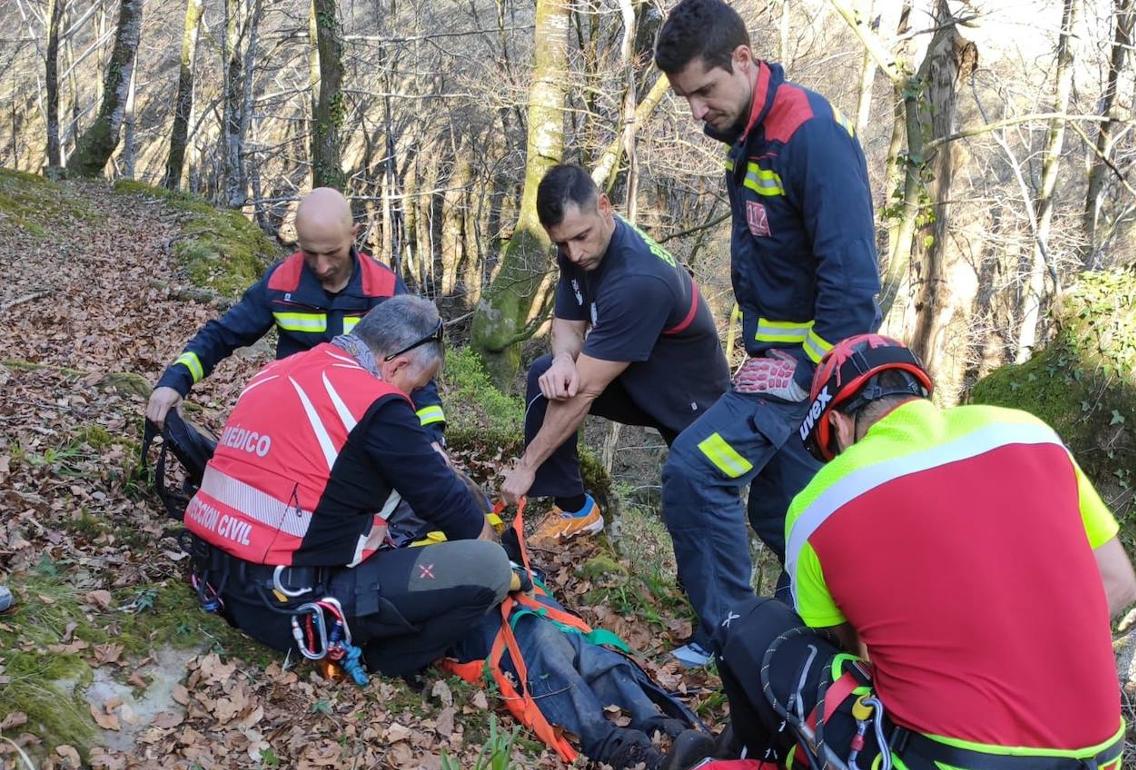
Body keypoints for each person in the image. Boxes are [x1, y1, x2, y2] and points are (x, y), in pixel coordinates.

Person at [684, 334, 1136, 770]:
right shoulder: (1030, 432)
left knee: (753, 626)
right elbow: (1119, 581)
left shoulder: (820, 501)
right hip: (1098, 754)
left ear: (839, 425)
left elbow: (853, 656)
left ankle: (732, 759)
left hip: (950, 758)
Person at [654, 0, 882, 665]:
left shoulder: (808, 135)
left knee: (697, 472)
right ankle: (805, 644)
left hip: (809, 372)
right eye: (685, 98)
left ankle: (730, 638)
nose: (697, 111)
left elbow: (853, 286)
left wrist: (806, 378)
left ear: (745, 60)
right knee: (786, 517)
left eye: (704, 90)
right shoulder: (749, 131)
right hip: (774, 362)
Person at [182, 295, 513, 678]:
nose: (410, 397)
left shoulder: (280, 370)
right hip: (288, 607)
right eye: (415, 385)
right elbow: (449, 504)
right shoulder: (376, 403)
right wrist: (500, 554)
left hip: (217, 576)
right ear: (397, 364)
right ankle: (386, 665)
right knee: (490, 568)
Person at [499, 165, 730, 548]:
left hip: (693, 402)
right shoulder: (578, 249)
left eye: (580, 238)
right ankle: (576, 512)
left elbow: (585, 391)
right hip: (638, 376)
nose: (574, 253)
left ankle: (709, 593)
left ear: (605, 206)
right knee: (548, 377)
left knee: (696, 496)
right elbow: (569, 323)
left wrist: (526, 468)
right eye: (562, 244)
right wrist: (562, 360)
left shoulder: (638, 281)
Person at [146, 187, 446, 436]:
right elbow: (222, 335)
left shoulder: (384, 289)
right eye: (310, 253)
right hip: (291, 421)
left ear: (354, 234)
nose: (322, 266)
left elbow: (416, 370)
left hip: (360, 425)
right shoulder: (281, 282)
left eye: (332, 253)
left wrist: (432, 438)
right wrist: (175, 381)